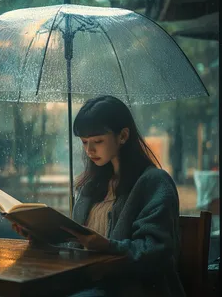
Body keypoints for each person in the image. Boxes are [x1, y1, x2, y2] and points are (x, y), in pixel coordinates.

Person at [13, 95, 185, 297]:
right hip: (87, 284)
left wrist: (109, 246)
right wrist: (41, 238)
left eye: (98, 141)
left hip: (131, 289)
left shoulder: (154, 182)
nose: (89, 150)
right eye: (84, 142)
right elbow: (74, 248)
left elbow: (156, 250)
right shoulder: (90, 187)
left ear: (123, 136)